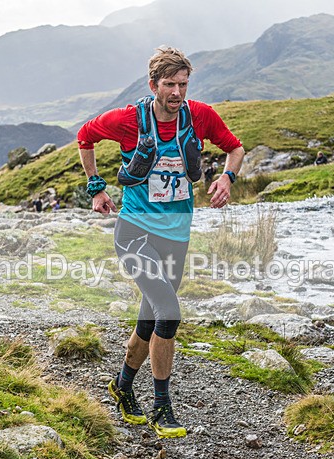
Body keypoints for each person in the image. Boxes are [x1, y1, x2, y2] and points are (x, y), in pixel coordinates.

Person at [77, 46, 244, 438]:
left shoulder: (199, 115)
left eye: (183, 84)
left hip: (177, 236)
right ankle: (162, 406)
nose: (177, 92)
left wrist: (226, 178)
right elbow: (85, 136)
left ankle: (121, 387)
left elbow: (235, 148)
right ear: (153, 85)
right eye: (169, 84)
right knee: (169, 312)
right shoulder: (126, 121)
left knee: (150, 319)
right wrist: (96, 188)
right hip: (135, 232)